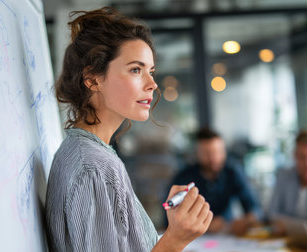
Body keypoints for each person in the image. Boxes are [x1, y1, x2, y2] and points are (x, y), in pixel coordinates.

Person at [45, 7, 213, 252]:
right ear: (92, 79)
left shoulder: (92, 154)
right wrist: (175, 239)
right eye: (136, 69)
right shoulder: (93, 167)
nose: (152, 84)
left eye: (151, 71)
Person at [171, 127, 260, 236]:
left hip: (228, 235)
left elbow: (255, 208)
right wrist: (203, 224)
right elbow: (170, 218)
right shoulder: (184, 177)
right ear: (197, 154)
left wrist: (247, 220)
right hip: (194, 237)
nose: (214, 158)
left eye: (218, 152)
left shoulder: (233, 171)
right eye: (207, 153)